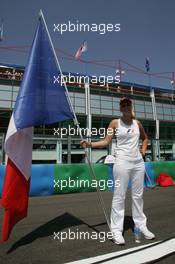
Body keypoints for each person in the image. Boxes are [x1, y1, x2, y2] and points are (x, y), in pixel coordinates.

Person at [80, 97, 155, 245]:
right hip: (122, 162)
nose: (126, 107)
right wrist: (89, 144)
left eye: (128, 104)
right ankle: (116, 230)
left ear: (131, 107)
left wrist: (143, 151)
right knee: (119, 196)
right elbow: (106, 141)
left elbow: (146, 138)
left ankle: (141, 225)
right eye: (123, 105)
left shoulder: (137, 123)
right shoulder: (114, 123)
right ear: (120, 108)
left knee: (138, 196)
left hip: (138, 163)